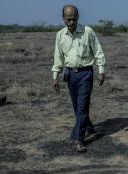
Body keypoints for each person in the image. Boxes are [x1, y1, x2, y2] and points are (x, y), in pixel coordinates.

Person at [52, 4, 107, 152]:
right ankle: (88, 126)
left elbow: (98, 51)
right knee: (77, 107)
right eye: (68, 19)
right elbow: (58, 57)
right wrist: (55, 76)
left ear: (78, 17)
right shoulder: (60, 35)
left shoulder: (87, 32)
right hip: (70, 74)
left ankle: (78, 138)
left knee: (82, 107)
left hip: (85, 74)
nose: (71, 22)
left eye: (74, 19)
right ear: (63, 19)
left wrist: (101, 70)